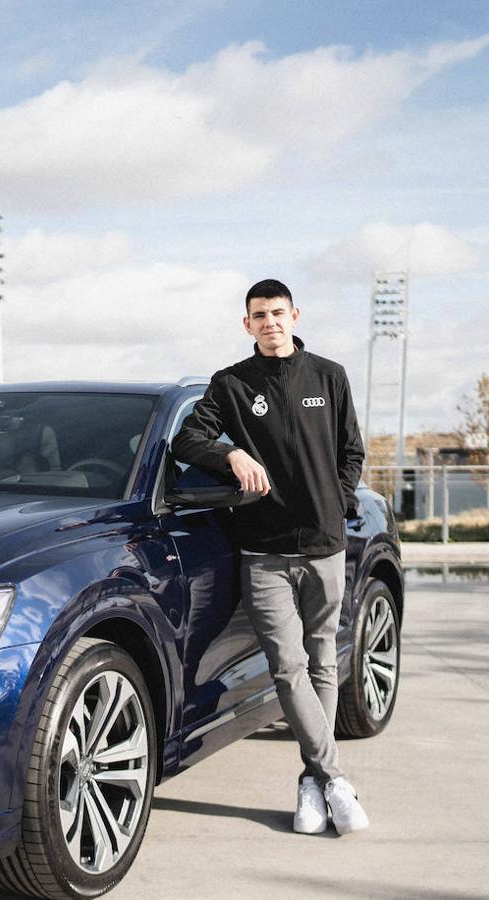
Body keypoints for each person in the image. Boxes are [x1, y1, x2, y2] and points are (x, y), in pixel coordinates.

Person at [172, 278, 369, 835]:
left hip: (324, 546)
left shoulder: (329, 376)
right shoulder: (231, 384)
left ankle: (312, 782)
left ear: (295, 315)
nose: (269, 322)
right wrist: (231, 452)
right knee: (288, 666)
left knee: (324, 661)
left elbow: (351, 450)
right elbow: (186, 441)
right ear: (247, 324)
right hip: (262, 551)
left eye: (277, 313)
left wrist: (339, 503)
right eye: (259, 315)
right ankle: (334, 779)